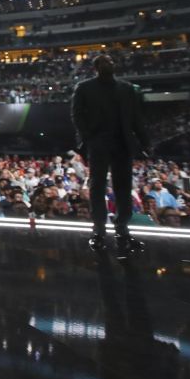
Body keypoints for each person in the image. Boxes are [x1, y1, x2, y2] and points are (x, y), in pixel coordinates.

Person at [71, 54, 151, 255]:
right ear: (96, 67)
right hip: (98, 141)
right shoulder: (84, 87)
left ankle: (122, 228)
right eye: (104, 61)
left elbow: (136, 118)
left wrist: (145, 142)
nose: (109, 63)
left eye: (111, 60)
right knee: (97, 185)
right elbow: (77, 115)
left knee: (123, 186)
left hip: (122, 141)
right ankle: (99, 230)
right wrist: (89, 136)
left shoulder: (126, 88)